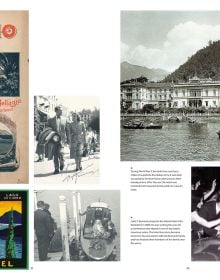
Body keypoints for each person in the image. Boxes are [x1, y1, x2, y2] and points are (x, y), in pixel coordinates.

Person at [47, 106, 68, 174]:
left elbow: (67, 130)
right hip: (54, 140)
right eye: (60, 110)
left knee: (61, 152)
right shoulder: (50, 120)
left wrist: (68, 139)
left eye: (61, 110)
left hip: (61, 139)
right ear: (56, 111)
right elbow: (48, 130)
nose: (61, 112)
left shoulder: (65, 120)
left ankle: (62, 162)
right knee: (55, 154)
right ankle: (56, 168)